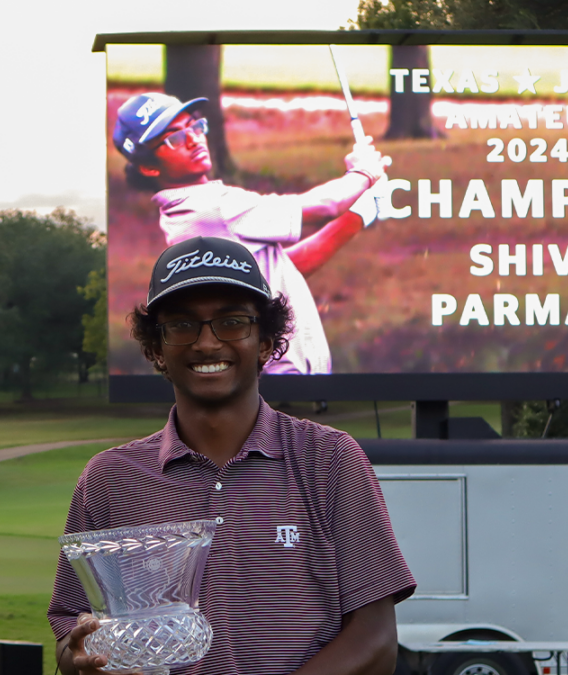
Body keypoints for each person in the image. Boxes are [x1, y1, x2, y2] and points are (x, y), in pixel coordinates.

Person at [48, 236, 416, 675]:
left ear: (265, 341)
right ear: (155, 348)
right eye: (182, 325)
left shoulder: (331, 460)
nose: (206, 343)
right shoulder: (110, 478)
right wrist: (81, 660)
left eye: (232, 322)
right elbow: (72, 636)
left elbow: (376, 640)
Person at [113, 92, 391, 375]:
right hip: (283, 382)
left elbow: (285, 268)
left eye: (195, 127)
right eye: (174, 138)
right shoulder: (211, 208)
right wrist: (363, 172)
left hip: (291, 384)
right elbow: (324, 206)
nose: (194, 139)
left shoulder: (186, 211)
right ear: (148, 167)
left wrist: (360, 213)